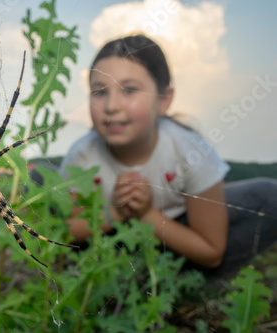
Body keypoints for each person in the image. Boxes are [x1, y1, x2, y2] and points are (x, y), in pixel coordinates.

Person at [60, 34, 277, 280]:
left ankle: (186, 287)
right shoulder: (81, 155)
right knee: (36, 181)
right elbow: (68, 232)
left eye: (129, 90)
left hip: (179, 246)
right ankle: (111, 289)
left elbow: (212, 251)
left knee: (268, 198)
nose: (111, 106)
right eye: (99, 92)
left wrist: (145, 214)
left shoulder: (191, 152)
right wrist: (117, 212)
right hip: (110, 251)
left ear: (164, 100)